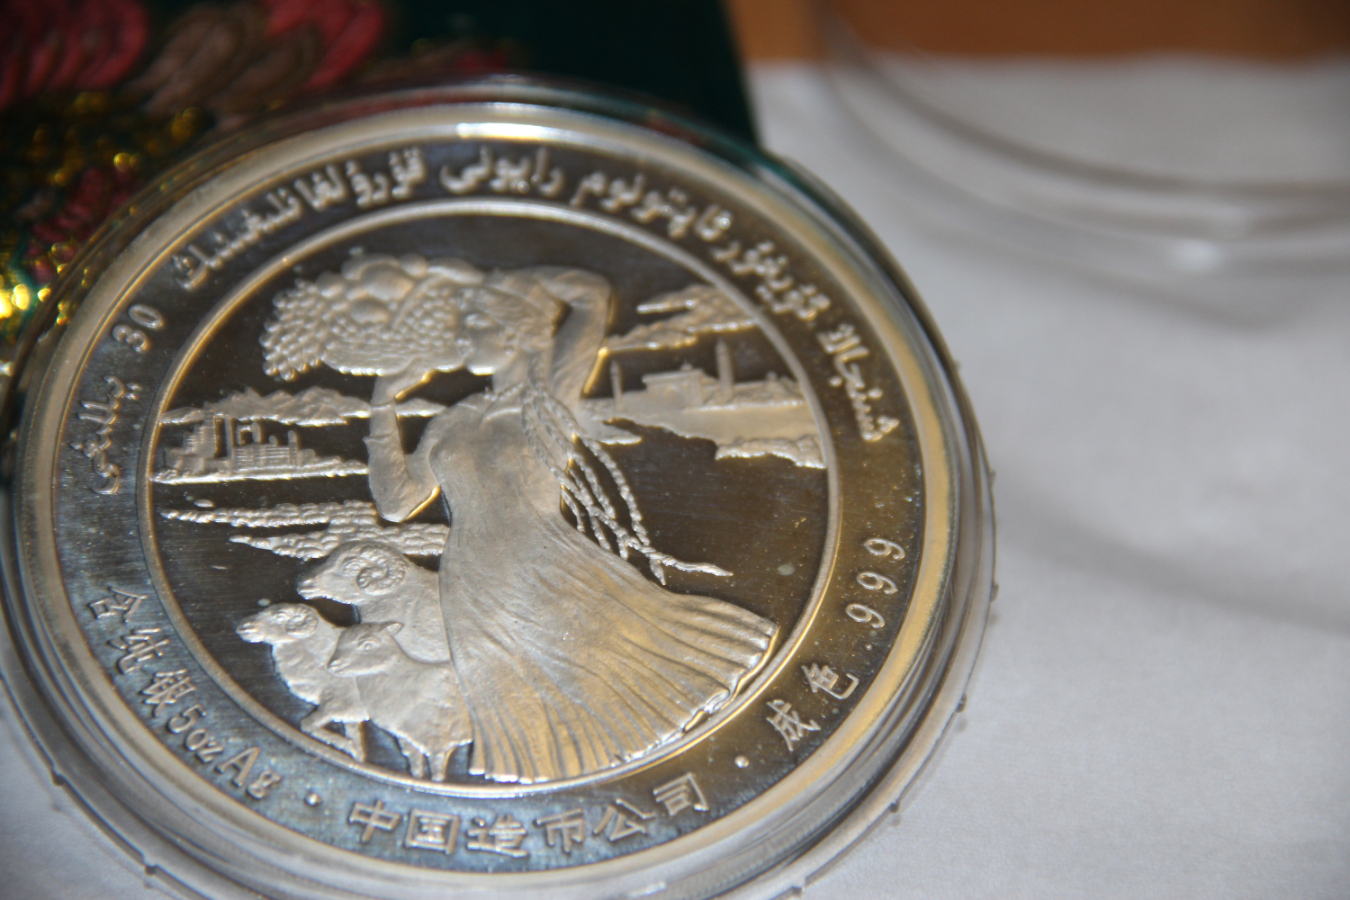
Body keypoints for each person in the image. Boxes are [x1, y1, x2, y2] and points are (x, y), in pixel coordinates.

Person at [263, 253, 776, 783]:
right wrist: (382, 402)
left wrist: (512, 278)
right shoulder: (453, 419)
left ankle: (609, 768)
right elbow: (396, 503)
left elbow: (591, 297)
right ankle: (551, 775)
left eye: (478, 324)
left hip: (542, 562)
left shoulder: (548, 396)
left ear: (517, 332)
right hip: (469, 576)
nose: (465, 338)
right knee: (508, 691)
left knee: (593, 668)